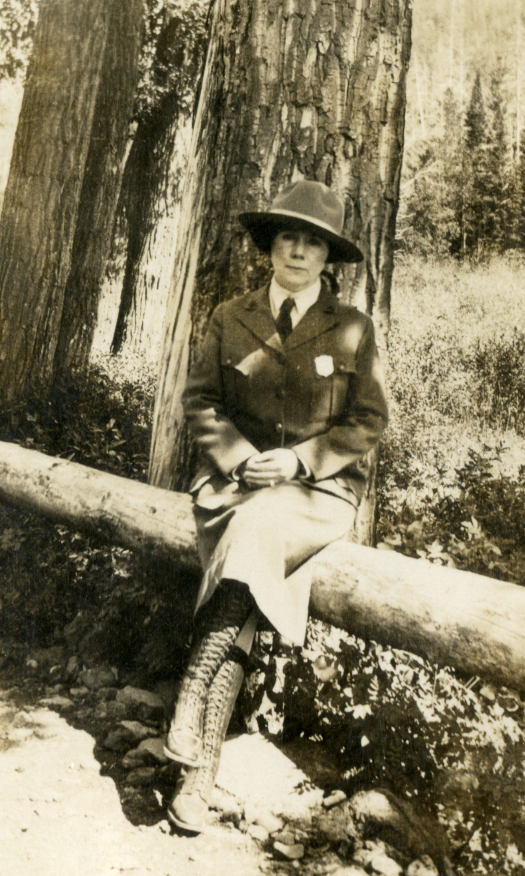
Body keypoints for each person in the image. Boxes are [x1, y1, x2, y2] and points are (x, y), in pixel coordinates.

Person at [164, 179, 388, 832]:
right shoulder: (229, 316)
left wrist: (297, 461)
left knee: (257, 534)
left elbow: (367, 421)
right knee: (251, 585)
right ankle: (197, 781)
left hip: (316, 493)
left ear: (327, 258)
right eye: (288, 236)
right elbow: (199, 402)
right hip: (236, 484)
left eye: (312, 241)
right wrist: (239, 457)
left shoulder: (351, 328)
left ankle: (188, 699)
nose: (297, 250)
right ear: (270, 248)